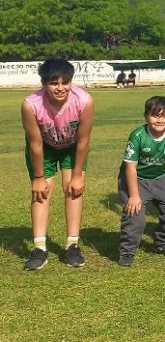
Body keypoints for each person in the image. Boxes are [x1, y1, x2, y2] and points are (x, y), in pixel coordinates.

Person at [22, 58, 95, 270]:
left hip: (72, 147)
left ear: (71, 82)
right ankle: (39, 248)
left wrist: (77, 175)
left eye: (65, 82)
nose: (60, 88)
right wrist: (37, 178)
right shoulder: (31, 104)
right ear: (44, 83)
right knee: (41, 192)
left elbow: (83, 141)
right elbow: (35, 144)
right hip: (44, 148)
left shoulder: (84, 101)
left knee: (73, 189)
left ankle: (72, 245)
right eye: (54, 83)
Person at [118, 96, 165, 267]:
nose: (160, 120)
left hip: (158, 177)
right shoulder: (138, 136)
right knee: (135, 216)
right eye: (155, 115)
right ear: (146, 116)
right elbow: (130, 168)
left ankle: (162, 243)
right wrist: (133, 195)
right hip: (135, 179)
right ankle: (127, 252)